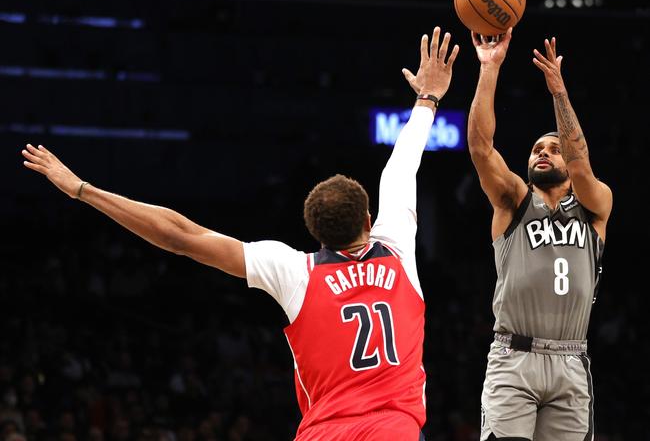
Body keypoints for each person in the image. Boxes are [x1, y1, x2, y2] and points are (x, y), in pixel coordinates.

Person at [22, 27, 460, 441]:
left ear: (314, 233)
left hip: (324, 430)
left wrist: (83, 190)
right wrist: (428, 97)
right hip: (394, 429)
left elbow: (179, 235)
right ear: (369, 220)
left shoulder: (294, 270)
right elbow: (403, 162)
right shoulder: (397, 248)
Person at [466, 28, 613, 441]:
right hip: (514, 357)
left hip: (571, 359)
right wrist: (489, 68)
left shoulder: (594, 205)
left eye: (552, 148)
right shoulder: (513, 201)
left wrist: (559, 93)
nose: (543, 153)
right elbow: (480, 147)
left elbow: (581, 163)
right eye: (536, 149)